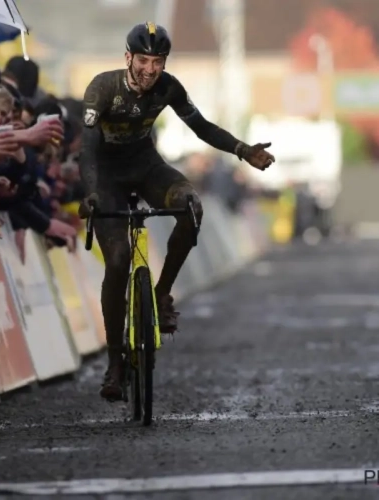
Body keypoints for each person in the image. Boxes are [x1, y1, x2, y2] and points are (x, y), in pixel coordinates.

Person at [78, 22, 275, 401]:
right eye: (143, 61)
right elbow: (87, 148)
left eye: (158, 61)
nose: (150, 70)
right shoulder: (102, 87)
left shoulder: (169, 86)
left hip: (147, 166)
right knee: (118, 260)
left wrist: (242, 150)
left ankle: (162, 293)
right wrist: (90, 193)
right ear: (128, 58)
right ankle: (116, 363)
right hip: (105, 176)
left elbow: (199, 126)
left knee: (190, 206)